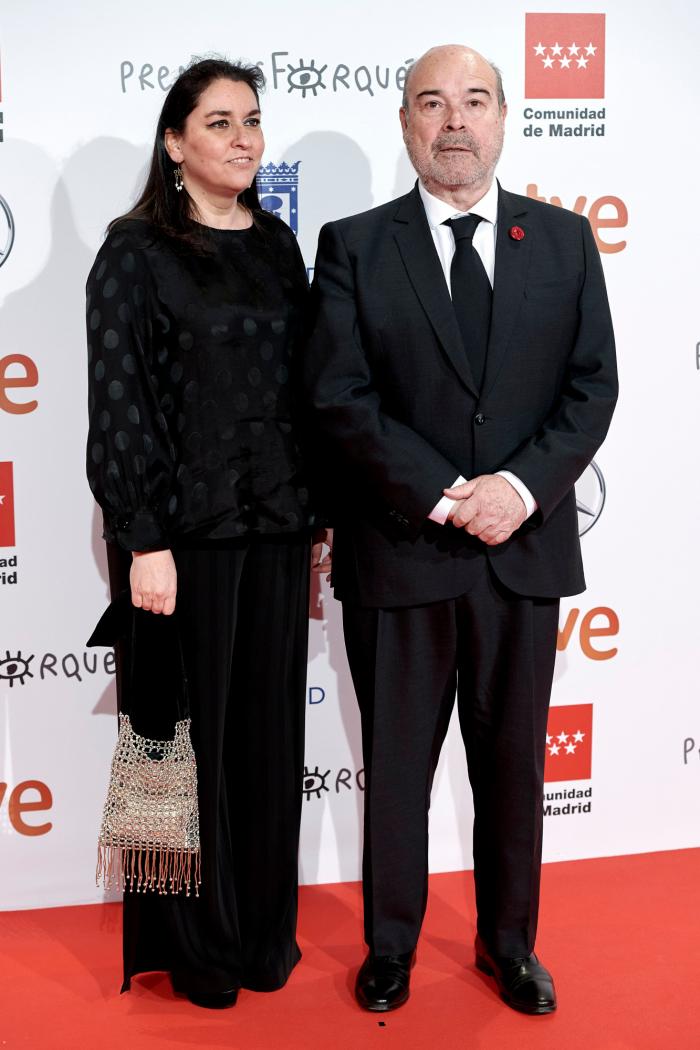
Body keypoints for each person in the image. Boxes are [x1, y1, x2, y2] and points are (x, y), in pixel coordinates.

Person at [304, 44, 617, 1015]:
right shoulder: (355, 244)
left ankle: (509, 944)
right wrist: (445, 493)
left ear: (502, 116)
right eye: (430, 102)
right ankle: (390, 944)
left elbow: (590, 386)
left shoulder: (563, 242)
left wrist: (516, 491)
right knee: (395, 767)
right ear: (404, 124)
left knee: (513, 767)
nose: (453, 120)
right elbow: (339, 396)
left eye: (472, 100)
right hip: (401, 551)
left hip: (521, 554)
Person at [86, 57, 315, 1009]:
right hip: (181, 543)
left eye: (252, 120)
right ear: (175, 143)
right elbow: (120, 400)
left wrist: (318, 521)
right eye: (218, 122)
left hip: (277, 532)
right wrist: (143, 539)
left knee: (265, 743)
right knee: (175, 745)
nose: (242, 138)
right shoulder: (134, 252)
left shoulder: (275, 246)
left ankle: (260, 932)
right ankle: (191, 945)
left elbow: (303, 395)